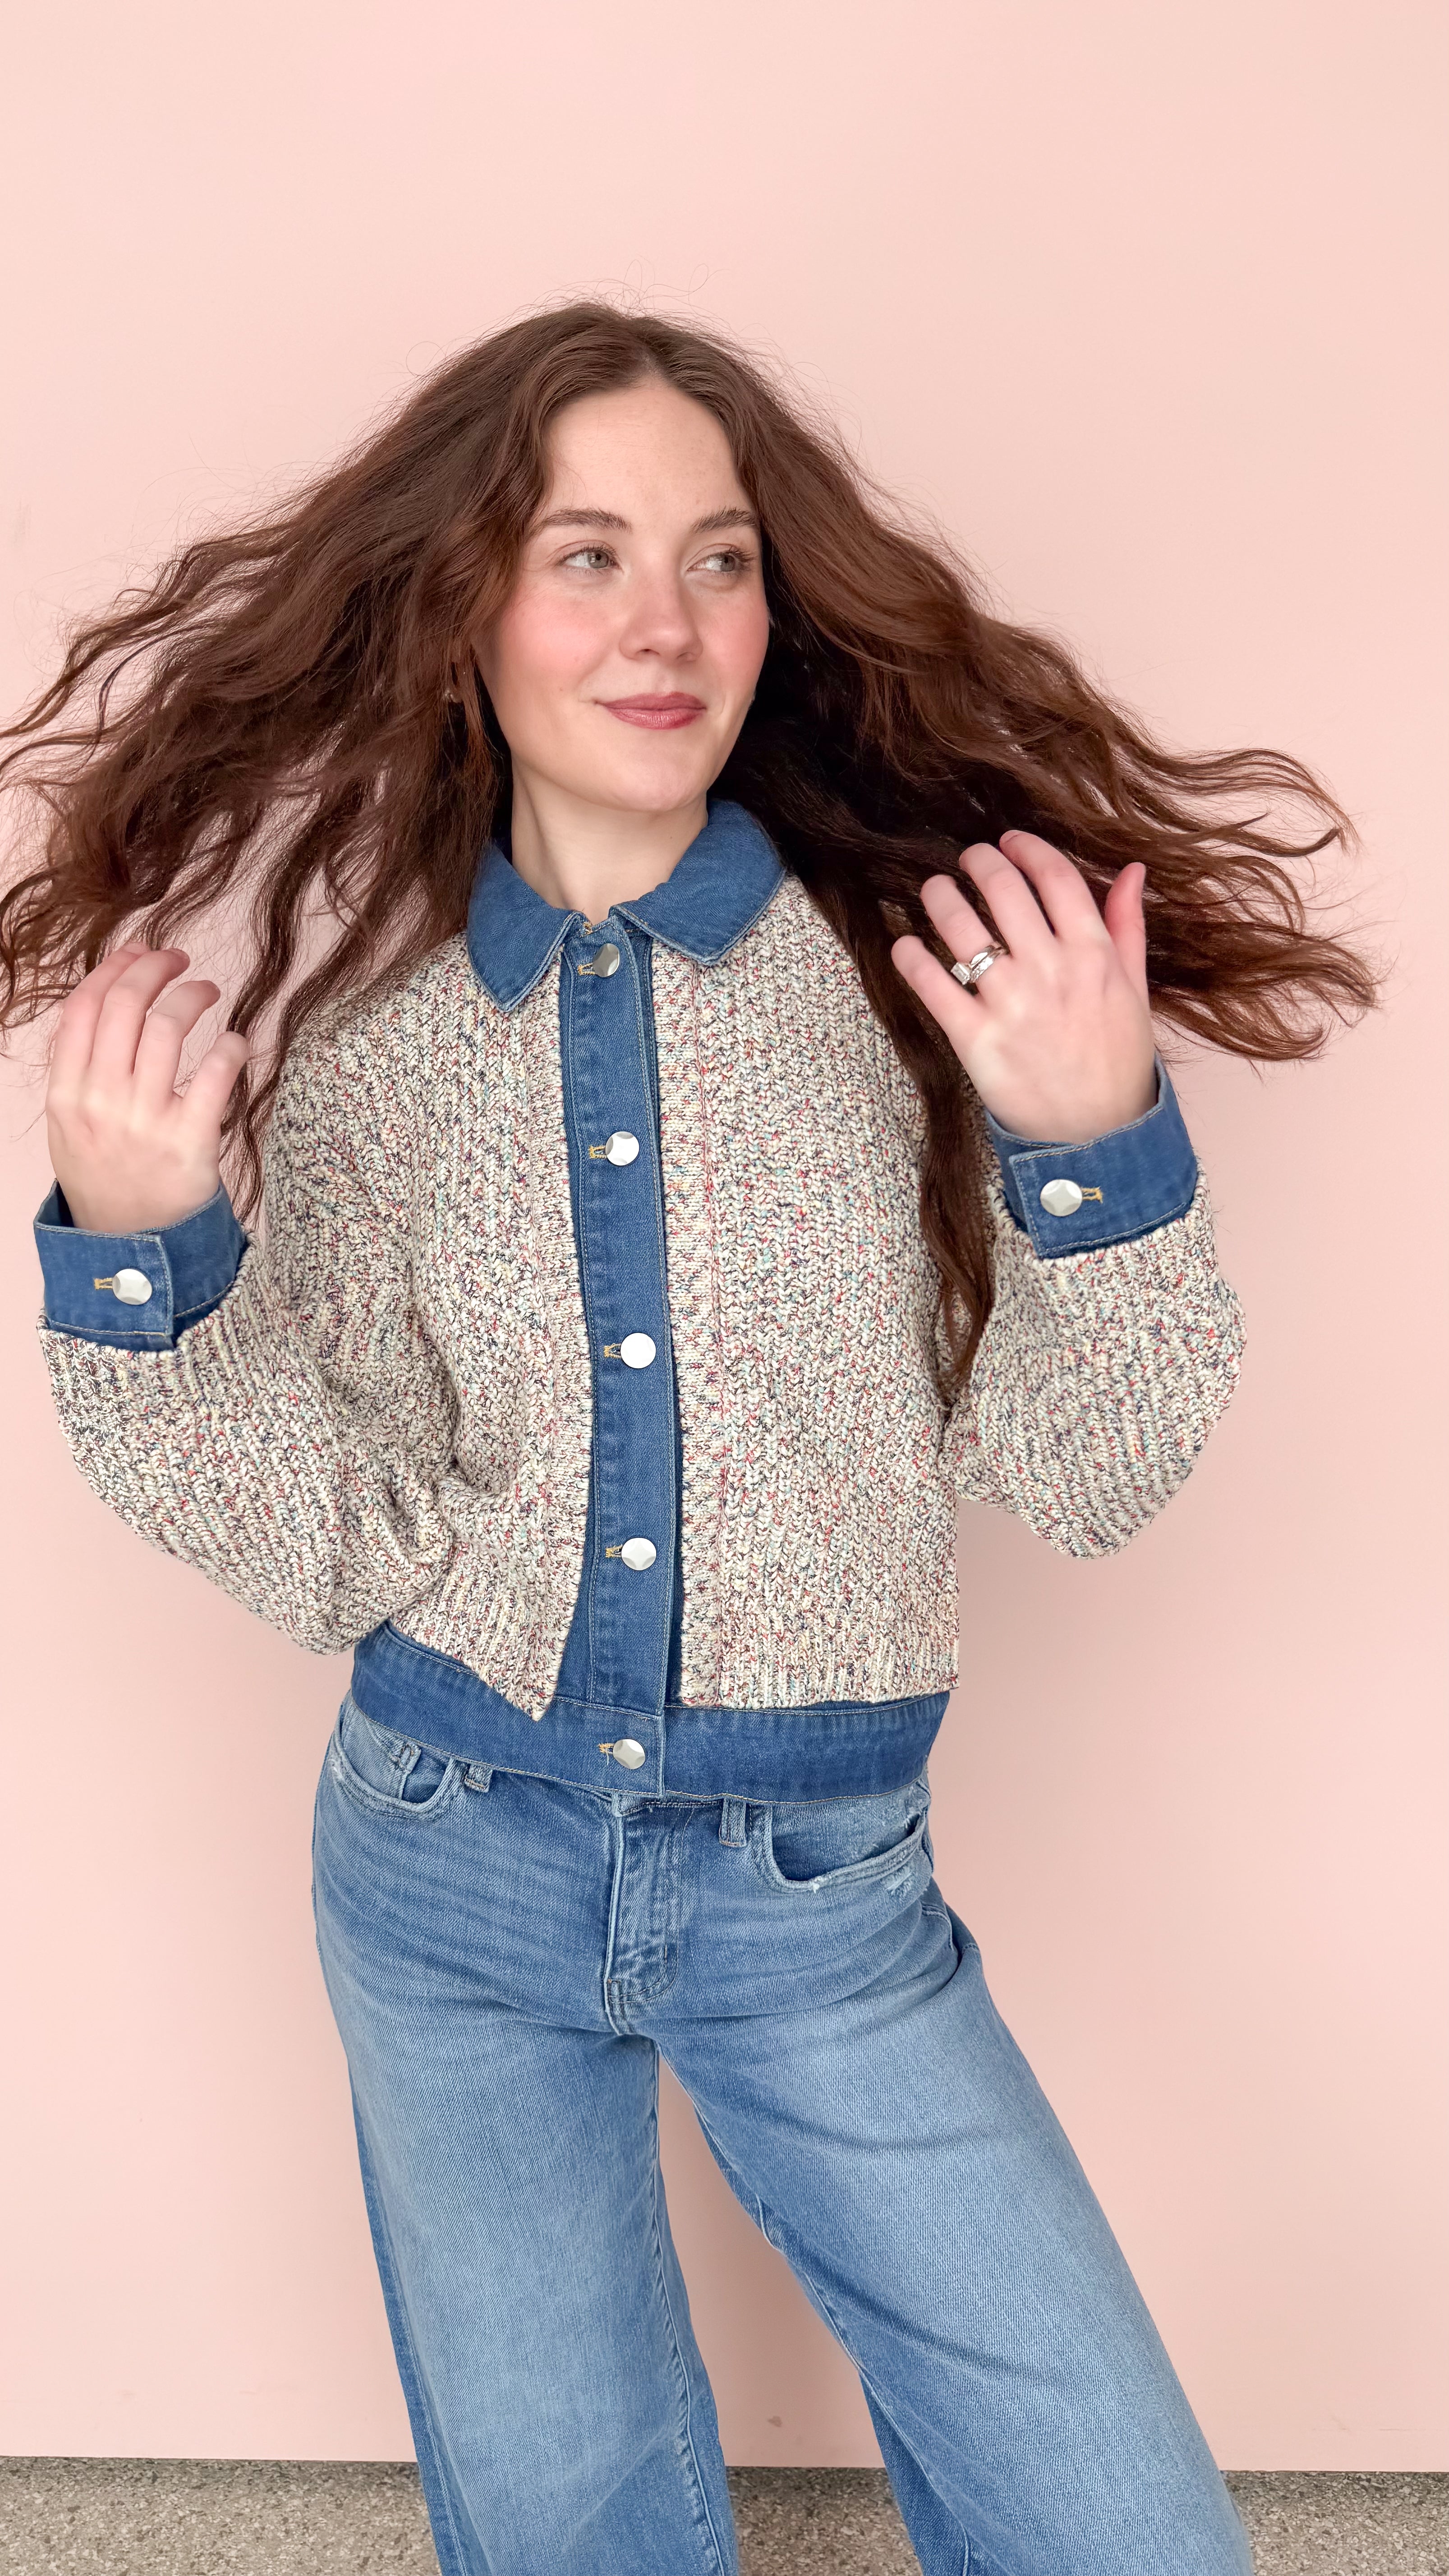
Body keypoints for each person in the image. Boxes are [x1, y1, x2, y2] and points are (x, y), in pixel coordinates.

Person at [1, 304, 1371, 2576]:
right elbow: (335, 1544)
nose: (669, 623)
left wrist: (1093, 1139)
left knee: (1122, 2530)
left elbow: (1090, 1471)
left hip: (818, 1894)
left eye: (719, 559)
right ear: (466, 612)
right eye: (591, 555)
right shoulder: (371, 1033)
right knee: (571, 2539)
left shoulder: (921, 973)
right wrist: (150, 1265)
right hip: (447, 1860)